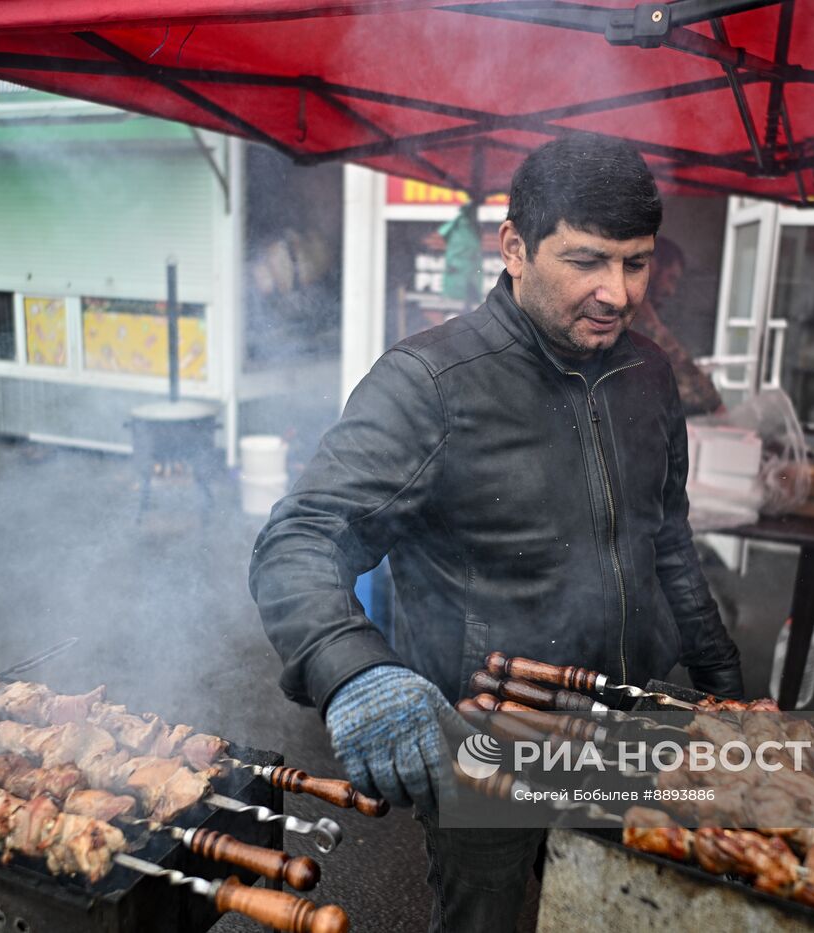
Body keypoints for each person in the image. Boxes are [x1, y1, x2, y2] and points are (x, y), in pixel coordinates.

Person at [250, 134, 743, 932]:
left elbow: (667, 536)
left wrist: (728, 686)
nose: (617, 292)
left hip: (626, 729)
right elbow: (301, 536)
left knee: (613, 907)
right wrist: (353, 670)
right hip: (485, 745)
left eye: (636, 262)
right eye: (587, 260)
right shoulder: (430, 383)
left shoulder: (646, 374)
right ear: (514, 247)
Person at [630, 236, 725, 416]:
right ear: (652, 266)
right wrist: (715, 404)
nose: (670, 290)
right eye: (670, 278)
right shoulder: (631, 304)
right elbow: (669, 353)